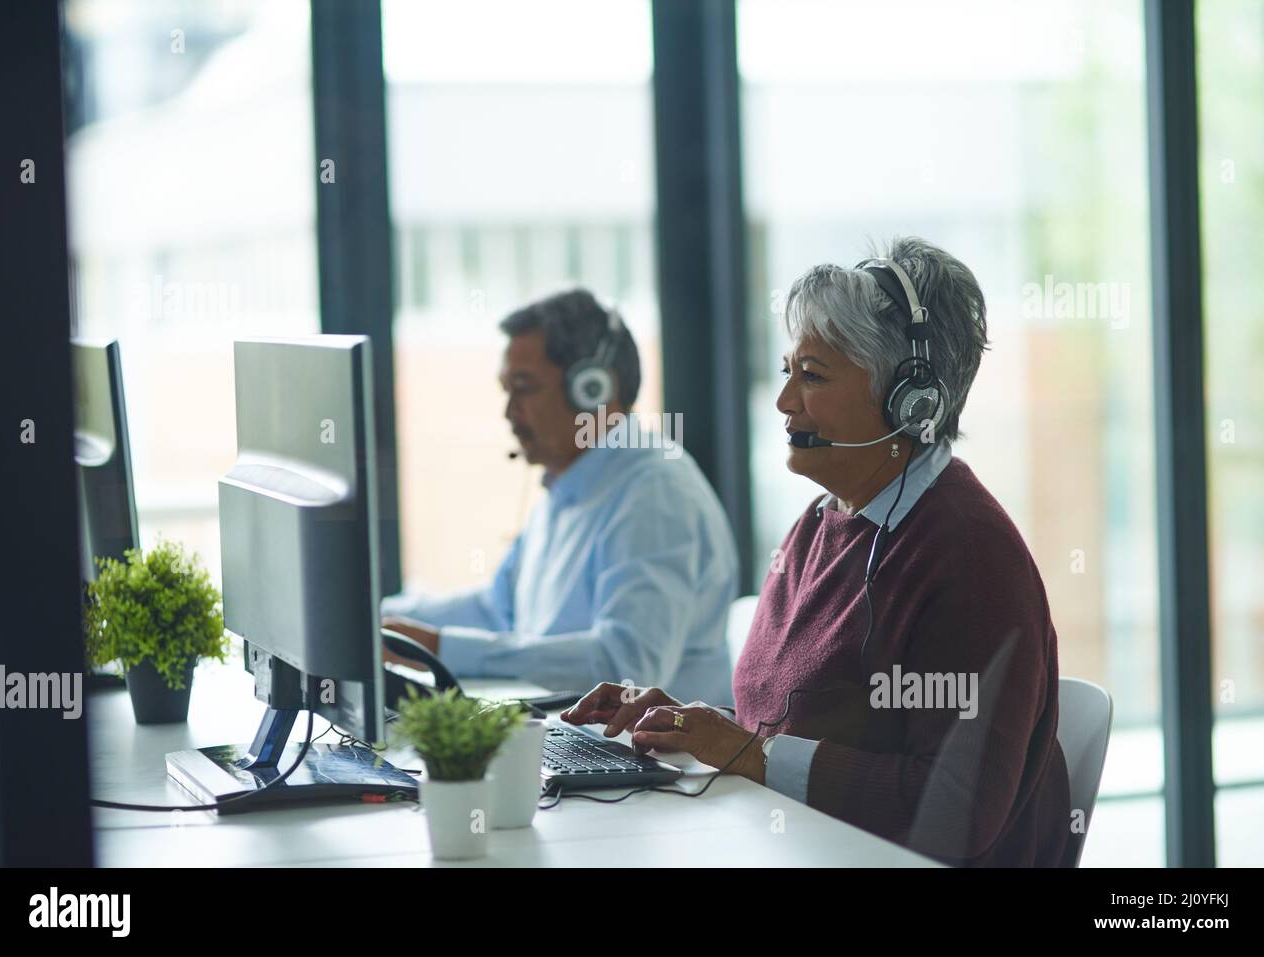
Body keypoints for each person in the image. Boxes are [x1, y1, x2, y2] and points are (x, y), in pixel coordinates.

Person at [562, 238, 1077, 866]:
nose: (784, 402)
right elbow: (812, 727)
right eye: (788, 372)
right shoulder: (824, 521)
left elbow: (956, 808)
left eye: (813, 375)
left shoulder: (966, 558)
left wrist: (750, 754)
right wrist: (692, 724)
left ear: (908, 401)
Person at [382, 288, 737, 704]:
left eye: (524, 388)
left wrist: (441, 648)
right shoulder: (569, 483)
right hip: (581, 747)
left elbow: (625, 666)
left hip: (660, 763)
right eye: (506, 390)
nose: (509, 412)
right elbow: (497, 608)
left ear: (593, 390)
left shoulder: (655, 494)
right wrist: (378, 619)